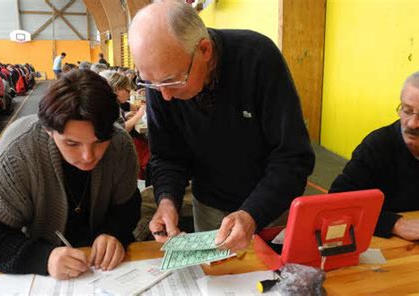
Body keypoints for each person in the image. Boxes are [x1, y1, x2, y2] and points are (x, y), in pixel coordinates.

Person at [128, 1, 315, 252]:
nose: (165, 97)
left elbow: (293, 156)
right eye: (150, 82)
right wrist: (167, 200)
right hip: (209, 207)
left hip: (272, 206)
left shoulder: (257, 58)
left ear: (204, 50)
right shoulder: (161, 82)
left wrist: (253, 213)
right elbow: (167, 156)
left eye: (172, 81)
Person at [0, 69, 141, 279]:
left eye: (99, 142)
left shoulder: (120, 144)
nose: (88, 156)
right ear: (48, 130)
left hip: (106, 270)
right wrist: (43, 258)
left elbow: (128, 206)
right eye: (72, 143)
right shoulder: (18, 153)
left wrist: (114, 233)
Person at [330, 69, 419, 253]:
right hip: (382, 248)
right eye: (407, 110)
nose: (412, 123)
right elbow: (335, 204)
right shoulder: (377, 145)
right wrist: (396, 224)